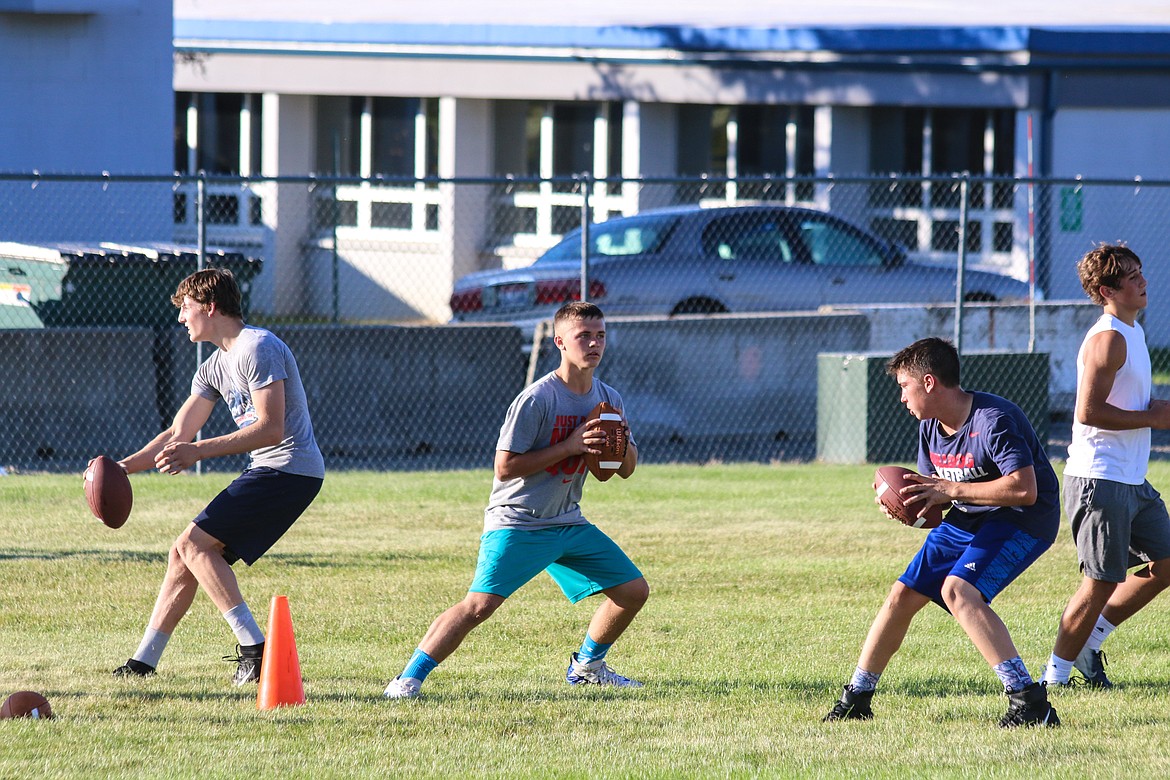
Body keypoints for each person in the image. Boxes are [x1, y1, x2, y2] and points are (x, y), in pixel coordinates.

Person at [383, 301, 648, 699]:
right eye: (583, 336)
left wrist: (622, 443)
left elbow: (623, 470)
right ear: (559, 341)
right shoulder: (537, 399)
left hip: (567, 521)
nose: (594, 343)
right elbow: (505, 467)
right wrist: (570, 445)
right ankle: (406, 681)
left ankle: (587, 667)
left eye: (600, 336)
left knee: (632, 591)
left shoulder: (609, 399)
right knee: (478, 606)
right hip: (518, 521)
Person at [823, 337, 1061, 728]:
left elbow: (1024, 488)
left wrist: (948, 490)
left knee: (959, 592)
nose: (902, 398)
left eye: (904, 386)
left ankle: (1030, 701)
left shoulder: (993, 420)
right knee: (902, 595)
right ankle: (857, 698)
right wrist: (907, 504)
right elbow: (938, 496)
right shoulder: (930, 427)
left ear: (929, 382)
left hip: (1022, 518)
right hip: (969, 516)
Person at [111, 268, 325, 685]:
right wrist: (123, 468)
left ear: (210, 307)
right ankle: (143, 662)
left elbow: (271, 429)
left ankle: (255, 648)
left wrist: (198, 452)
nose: (180, 318)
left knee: (193, 543)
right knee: (183, 554)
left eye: (186, 309)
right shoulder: (212, 367)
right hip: (269, 469)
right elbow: (177, 433)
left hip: (289, 468)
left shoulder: (258, 347)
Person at [1041, 244, 1170, 689]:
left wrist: (1154, 406)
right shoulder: (1109, 338)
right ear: (1105, 290)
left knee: (1168, 563)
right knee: (1099, 583)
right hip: (1101, 479)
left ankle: (1089, 644)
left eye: (1140, 272)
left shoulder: (1132, 331)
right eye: (1131, 277)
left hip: (1131, 479)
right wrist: (1152, 417)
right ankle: (1054, 680)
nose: (1142, 282)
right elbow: (1088, 412)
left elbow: (1125, 402)